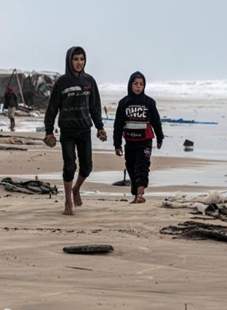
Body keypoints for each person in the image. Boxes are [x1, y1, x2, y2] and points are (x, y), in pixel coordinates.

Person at [44, 46, 107, 215]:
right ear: (69, 60)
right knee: (69, 165)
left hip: (85, 130)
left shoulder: (89, 81)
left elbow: (95, 107)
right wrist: (48, 131)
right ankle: (67, 201)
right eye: (75, 59)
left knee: (87, 167)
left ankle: (76, 188)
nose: (79, 62)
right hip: (67, 130)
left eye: (82, 59)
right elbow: (52, 108)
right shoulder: (62, 83)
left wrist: (100, 127)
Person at [113, 71, 164, 203]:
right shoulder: (124, 103)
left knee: (142, 167)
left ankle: (140, 195)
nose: (138, 87)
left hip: (145, 141)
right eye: (135, 84)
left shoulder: (149, 102)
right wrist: (117, 144)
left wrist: (160, 137)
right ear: (130, 84)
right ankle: (136, 193)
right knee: (130, 166)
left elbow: (156, 122)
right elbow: (118, 125)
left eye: (141, 84)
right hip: (130, 141)